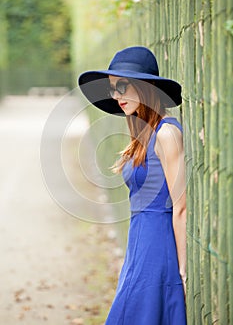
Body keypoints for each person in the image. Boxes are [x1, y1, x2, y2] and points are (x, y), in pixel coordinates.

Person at [78, 46, 187, 325]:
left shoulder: (167, 133)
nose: (116, 96)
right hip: (138, 241)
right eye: (114, 88)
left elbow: (180, 207)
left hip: (157, 246)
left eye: (123, 86)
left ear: (146, 86)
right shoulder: (143, 134)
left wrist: (181, 272)